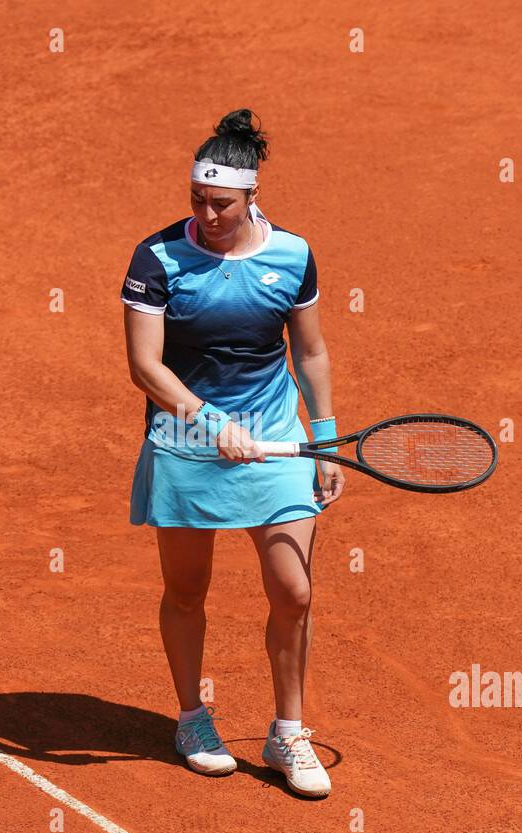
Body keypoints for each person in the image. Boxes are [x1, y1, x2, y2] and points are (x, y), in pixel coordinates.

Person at [120, 108, 345, 798]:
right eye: (198, 200)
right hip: (189, 443)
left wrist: (326, 435)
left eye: (221, 203)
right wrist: (210, 421)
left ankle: (288, 733)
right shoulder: (157, 258)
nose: (207, 214)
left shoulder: (293, 255)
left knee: (294, 590)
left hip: (276, 436)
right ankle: (191, 718)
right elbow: (145, 366)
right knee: (187, 590)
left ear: (252, 197)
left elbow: (308, 350)